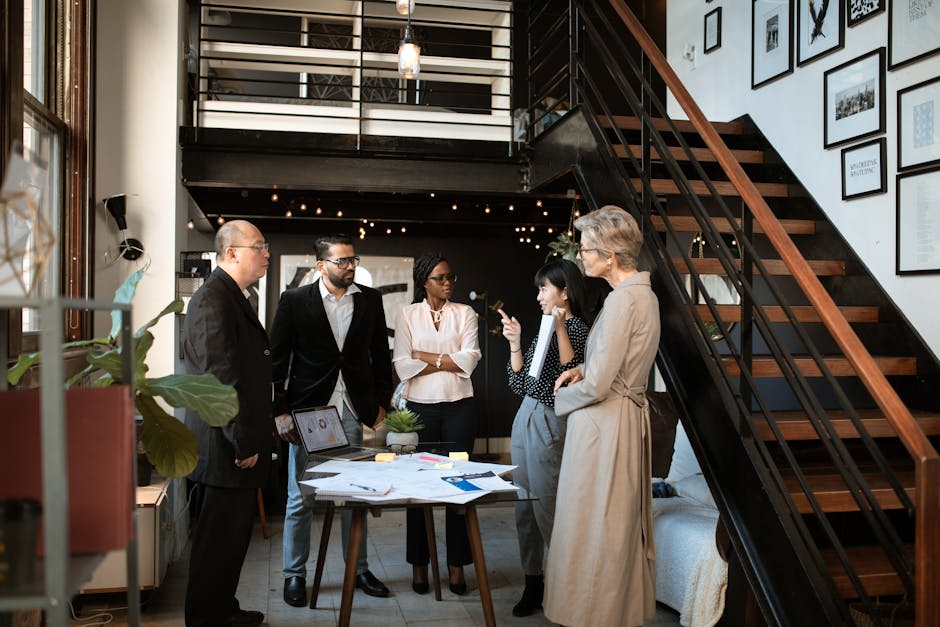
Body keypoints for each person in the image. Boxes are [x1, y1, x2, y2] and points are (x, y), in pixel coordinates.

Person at [543, 205, 661, 627]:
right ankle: (611, 611)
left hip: (604, 428)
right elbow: (612, 366)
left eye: (587, 249)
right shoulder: (639, 296)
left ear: (610, 256)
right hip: (619, 421)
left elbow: (599, 386)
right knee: (611, 524)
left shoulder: (623, 302)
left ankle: (593, 614)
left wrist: (560, 400)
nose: (581, 257)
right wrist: (583, 367)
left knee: (596, 526)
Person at [270, 234, 393, 606]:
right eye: (342, 261)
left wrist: (381, 403)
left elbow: (378, 355)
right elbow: (277, 360)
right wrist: (279, 411)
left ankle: (358, 569)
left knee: (355, 495)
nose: (350, 266)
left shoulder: (370, 299)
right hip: (311, 411)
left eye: (353, 259)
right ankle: (295, 575)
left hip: (353, 409)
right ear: (320, 266)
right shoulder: (294, 301)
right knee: (301, 498)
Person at [183, 220, 272, 627]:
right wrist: (242, 442)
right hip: (226, 446)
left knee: (233, 541)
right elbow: (220, 379)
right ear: (232, 252)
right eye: (259, 247)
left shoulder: (233, 296)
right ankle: (205, 617)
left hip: (235, 440)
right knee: (216, 541)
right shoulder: (212, 299)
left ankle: (222, 608)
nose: (266, 254)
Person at [497, 259, 590, 617]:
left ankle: (567, 587)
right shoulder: (543, 327)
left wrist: (562, 327)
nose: (538, 295)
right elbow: (520, 382)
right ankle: (533, 582)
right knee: (524, 507)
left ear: (564, 291)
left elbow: (570, 378)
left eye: (544, 288)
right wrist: (516, 343)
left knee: (547, 506)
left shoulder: (578, 328)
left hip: (551, 420)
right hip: (526, 414)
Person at [392, 252, 481, 595]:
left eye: (450, 277)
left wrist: (424, 356)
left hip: (460, 406)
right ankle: (419, 564)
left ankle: (457, 565)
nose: (447, 283)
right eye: (440, 278)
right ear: (423, 282)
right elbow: (402, 364)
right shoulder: (407, 314)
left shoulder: (465, 313)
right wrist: (447, 360)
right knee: (419, 488)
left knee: (458, 485)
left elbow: (469, 361)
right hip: (420, 408)